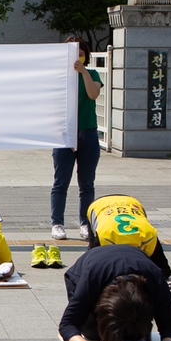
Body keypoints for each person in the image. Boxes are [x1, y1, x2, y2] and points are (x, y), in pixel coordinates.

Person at [59, 244, 171, 341]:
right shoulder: (91, 280)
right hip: (91, 267)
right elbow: (67, 324)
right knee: (93, 333)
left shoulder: (155, 279)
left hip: (134, 260)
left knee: (135, 335)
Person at [51, 36, 103, 241]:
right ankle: (57, 223)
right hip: (64, 134)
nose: (77, 56)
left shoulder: (92, 73)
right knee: (60, 182)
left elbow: (93, 94)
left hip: (88, 133)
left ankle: (85, 223)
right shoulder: (59, 77)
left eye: (80, 52)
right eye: (73, 52)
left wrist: (82, 72)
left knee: (87, 183)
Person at [86, 195, 171, 279]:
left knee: (93, 260)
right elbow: (164, 270)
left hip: (115, 207)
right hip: (99, 206)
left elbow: (165, 271)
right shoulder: (148, 237)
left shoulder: (148, 235)